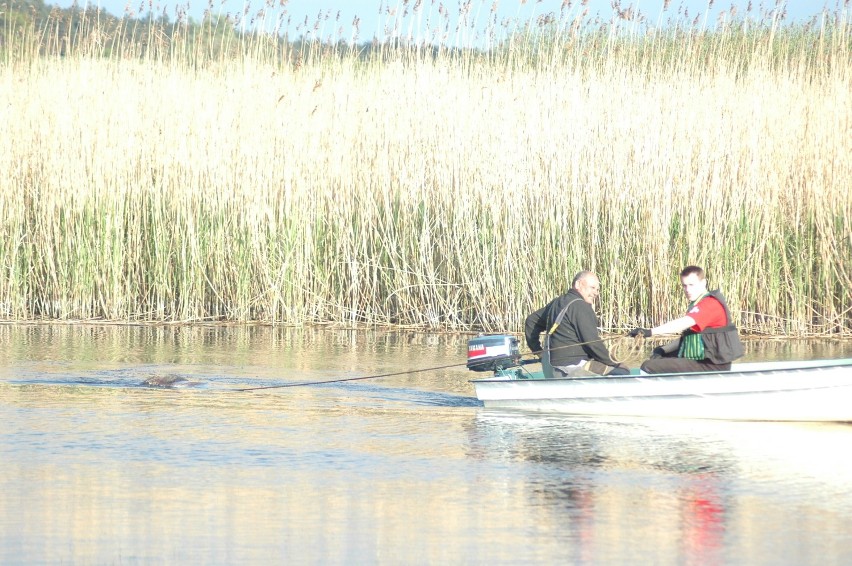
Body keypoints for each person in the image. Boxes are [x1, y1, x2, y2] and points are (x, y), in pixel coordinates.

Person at [628, 265, 744, 374]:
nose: (687, 289)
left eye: (691, 285)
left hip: (714, 365)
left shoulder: (709, 304)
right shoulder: (697, 304)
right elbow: (688, 337)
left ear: (703, 283)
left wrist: (649, 332)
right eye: (684, 285)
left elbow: (683, 323)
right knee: (659, 356)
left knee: (648, 366)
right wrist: (663, 350)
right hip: (704, 360)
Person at [525, 271, 630, 378]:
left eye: (597, 289)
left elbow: (530, 321)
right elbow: (593, 344)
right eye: (592, 287)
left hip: (550, 370)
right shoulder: (581, 306)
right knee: (623, 372)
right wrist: (614, 363)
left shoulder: (557, 302)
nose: (596, 293)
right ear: (578, 284)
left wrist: (538, 351)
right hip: (571, 369)